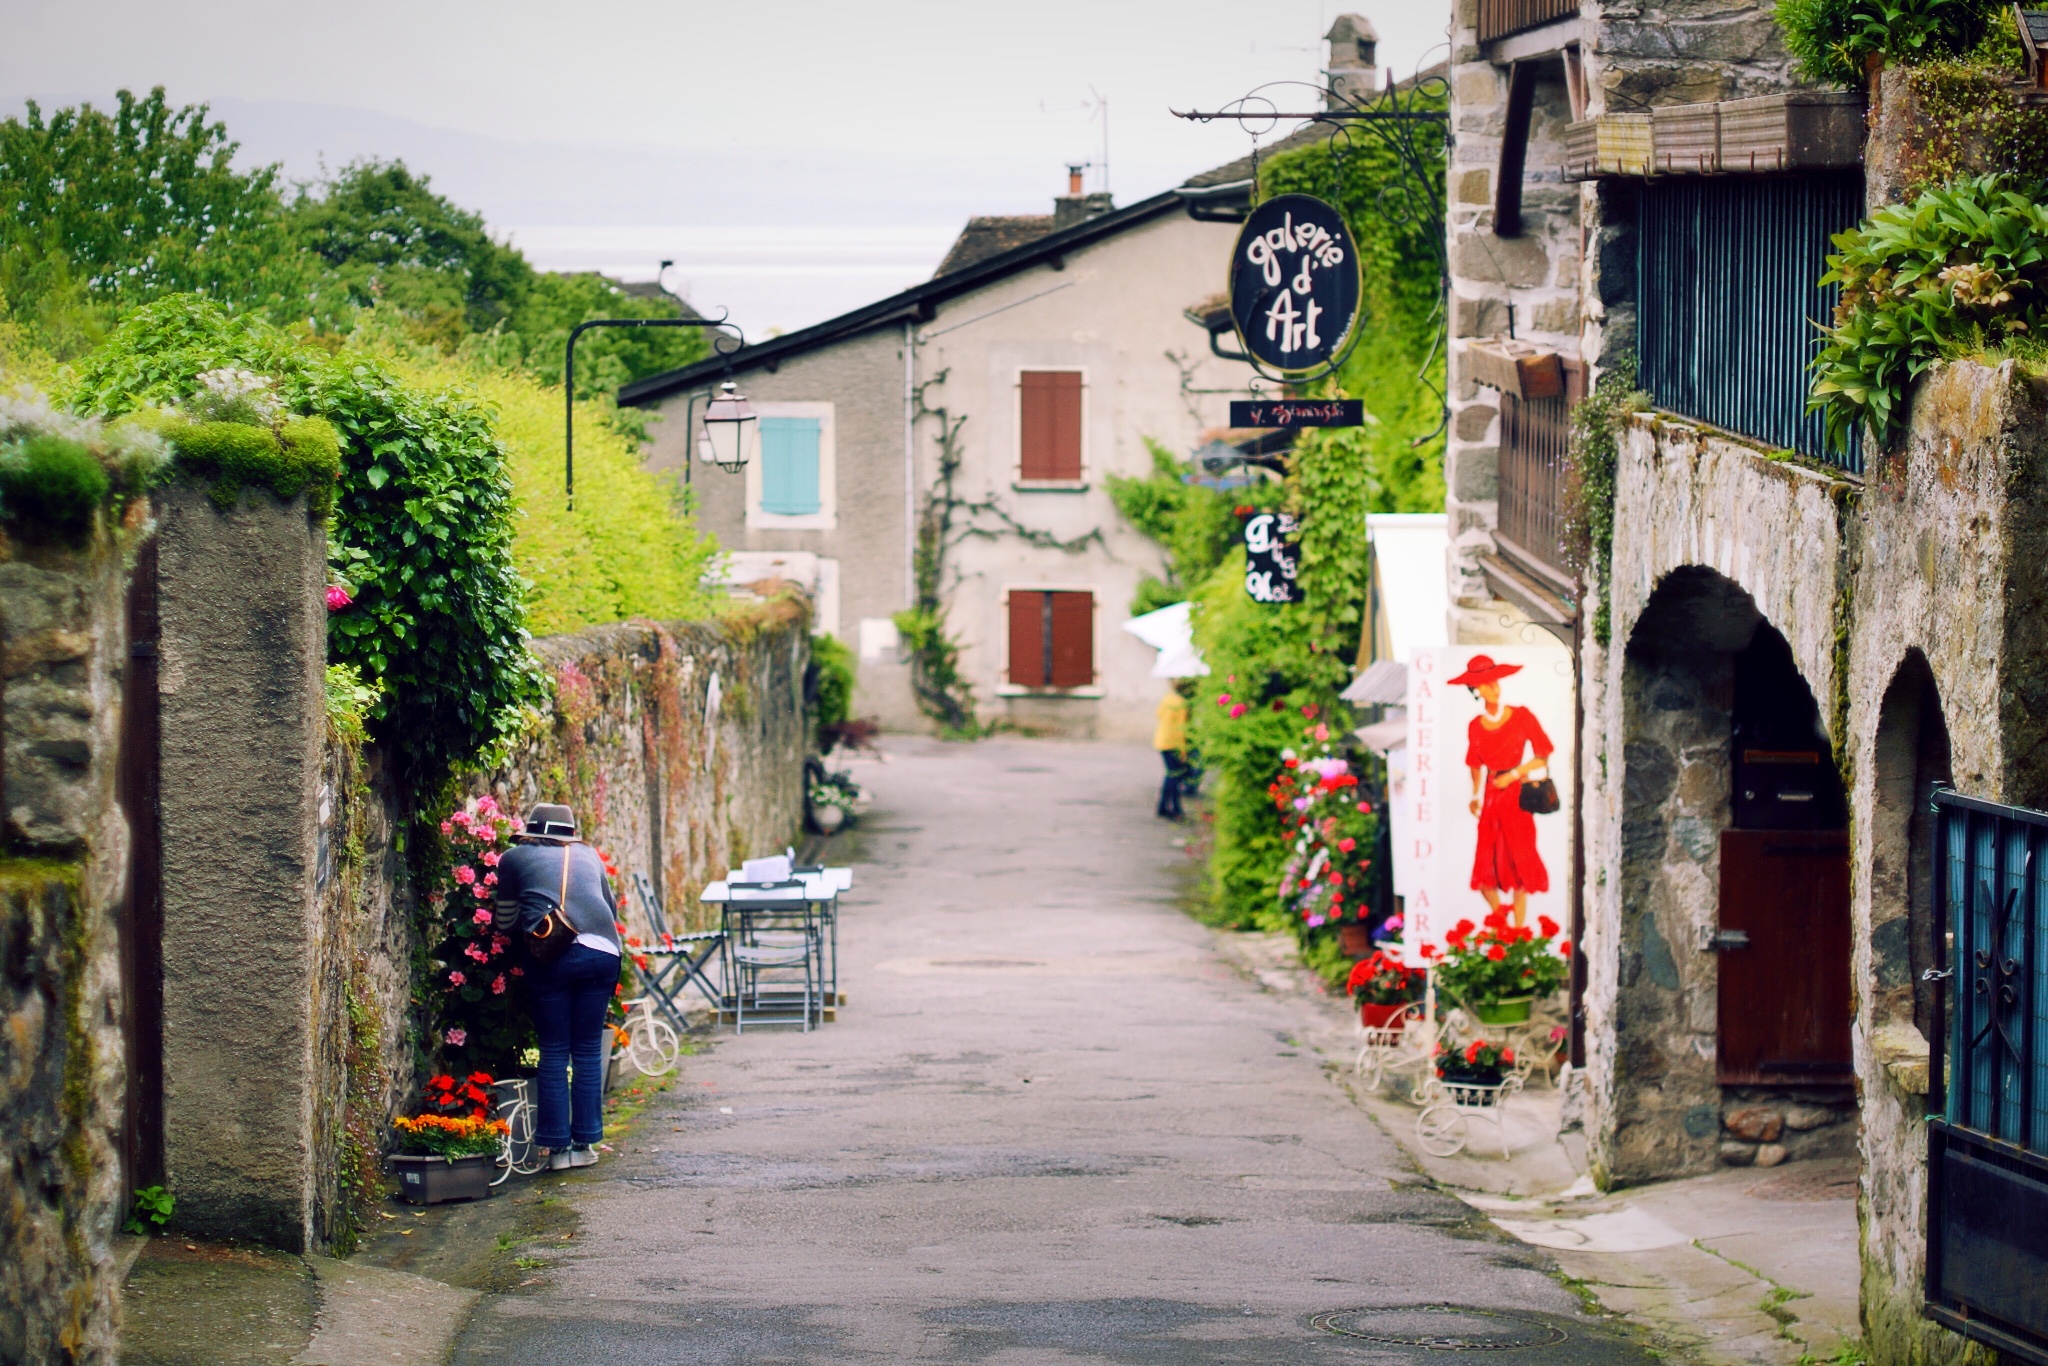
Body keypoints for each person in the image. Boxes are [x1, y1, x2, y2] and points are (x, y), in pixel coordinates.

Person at [492, 802, 622, 1171]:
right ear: (570, 833)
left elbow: (505, 920)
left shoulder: (514, 858)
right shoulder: (590, 856)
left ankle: (557, 1151)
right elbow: (610, 911)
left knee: (553, 1050)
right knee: (585, 1048)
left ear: (533, 831)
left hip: (551, 956)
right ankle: (586, 1144)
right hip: (602, 952)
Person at [1449, 655, 1553, 929]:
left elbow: (1543, 753)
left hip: (1517, 796)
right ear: (1476, 690)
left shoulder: (1521, 715)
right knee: (1487, 863)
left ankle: (1518, 933)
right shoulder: (1475, 725)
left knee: (1520, 859)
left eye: (1494, 680)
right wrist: (1474, 795)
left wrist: (1514, 775)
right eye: (1485, 683)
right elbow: (1474, 763)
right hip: (1491, 797)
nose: (1493, 686)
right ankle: (1502, 925)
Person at [1154, 682, 1191, 820]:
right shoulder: (1181, 704)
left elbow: (1158, 714)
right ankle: (1175, 808)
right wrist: (1183, 751)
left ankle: (1163, 806)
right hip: (1173, 743)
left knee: (1170, 774)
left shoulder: (1168, 698)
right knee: (1175, 775)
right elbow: (1182, 729)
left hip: (1161, 741)